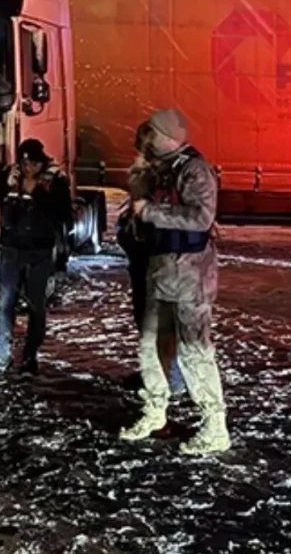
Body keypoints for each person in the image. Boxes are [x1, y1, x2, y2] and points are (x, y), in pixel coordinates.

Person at [120, 109, 230, 455]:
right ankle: (154, 411)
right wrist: (139, 173)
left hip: (190, 273)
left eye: (151, 134)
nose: (146, 140)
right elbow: (138, 197)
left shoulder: (194, 169)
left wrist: (151, 212)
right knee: (150, 345)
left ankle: (214, 426)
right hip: (161, 269)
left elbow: (201, 217)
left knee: (194, 350)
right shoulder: (162, 168)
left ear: (167, 136)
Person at [0, 139, 72, 378]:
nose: (27, 168)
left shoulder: (54, 180)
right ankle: (2, 353)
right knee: (5, 303)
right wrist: (4, 186)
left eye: (33, 164)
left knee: (36, 305)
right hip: (11, 249)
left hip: (39, 252)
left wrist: (36, 191)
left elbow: (63, 213)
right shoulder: (11, 174)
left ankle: (30, 356)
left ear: (41, 162)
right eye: (24, 163)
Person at [116, 123, 186, 397]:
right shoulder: (151, 178)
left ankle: (171, 378)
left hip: (163, 265)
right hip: (145, 264)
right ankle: (156, 372)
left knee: (164, 325)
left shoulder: (170, 180)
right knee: (147, 322)